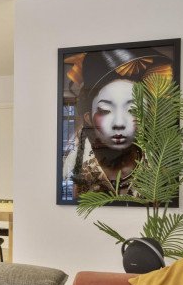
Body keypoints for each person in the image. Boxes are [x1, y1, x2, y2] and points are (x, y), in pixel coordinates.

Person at [63, 48, 173, 197]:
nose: (119, 123)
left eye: (133, 110)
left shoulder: (159, 169)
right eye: (105, 110)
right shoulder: (76, 165)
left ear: (148, 117)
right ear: (89, 118)